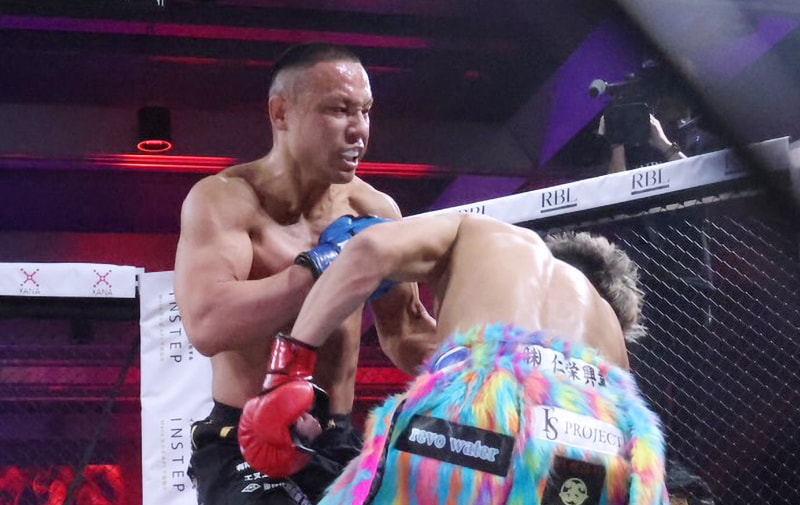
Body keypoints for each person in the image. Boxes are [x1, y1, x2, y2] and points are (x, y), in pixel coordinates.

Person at [173, 43, 436, 505]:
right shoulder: (224, 200)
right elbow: (207, 323)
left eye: (365, 111)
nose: (359, 130)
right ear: (281, 113)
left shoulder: (374, 210)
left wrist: (486, 369)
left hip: (339, 440)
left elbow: (405, 332)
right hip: (247, 443)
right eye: (339, 110)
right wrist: (326, 267)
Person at [255, 213, 668, 505]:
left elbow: (367, 248)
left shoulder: (484, 232)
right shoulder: (605, 323)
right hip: (601, 442)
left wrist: (288, 370)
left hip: (481, 415)